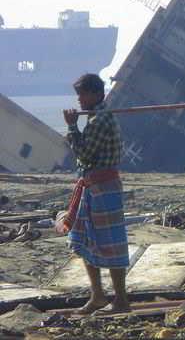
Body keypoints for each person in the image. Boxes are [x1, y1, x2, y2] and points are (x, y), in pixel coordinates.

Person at [63, 74, 130, 315]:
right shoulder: (94, 118)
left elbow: (85, 154)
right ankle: (98, 296)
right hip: (91, 186)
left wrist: (71, 126)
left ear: (97, 95)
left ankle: (121, 300)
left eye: (83, 94)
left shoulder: (100, 120)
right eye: (79, 94)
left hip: (105, 188)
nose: (79, 99)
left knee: (112, 243)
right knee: (84, 239)